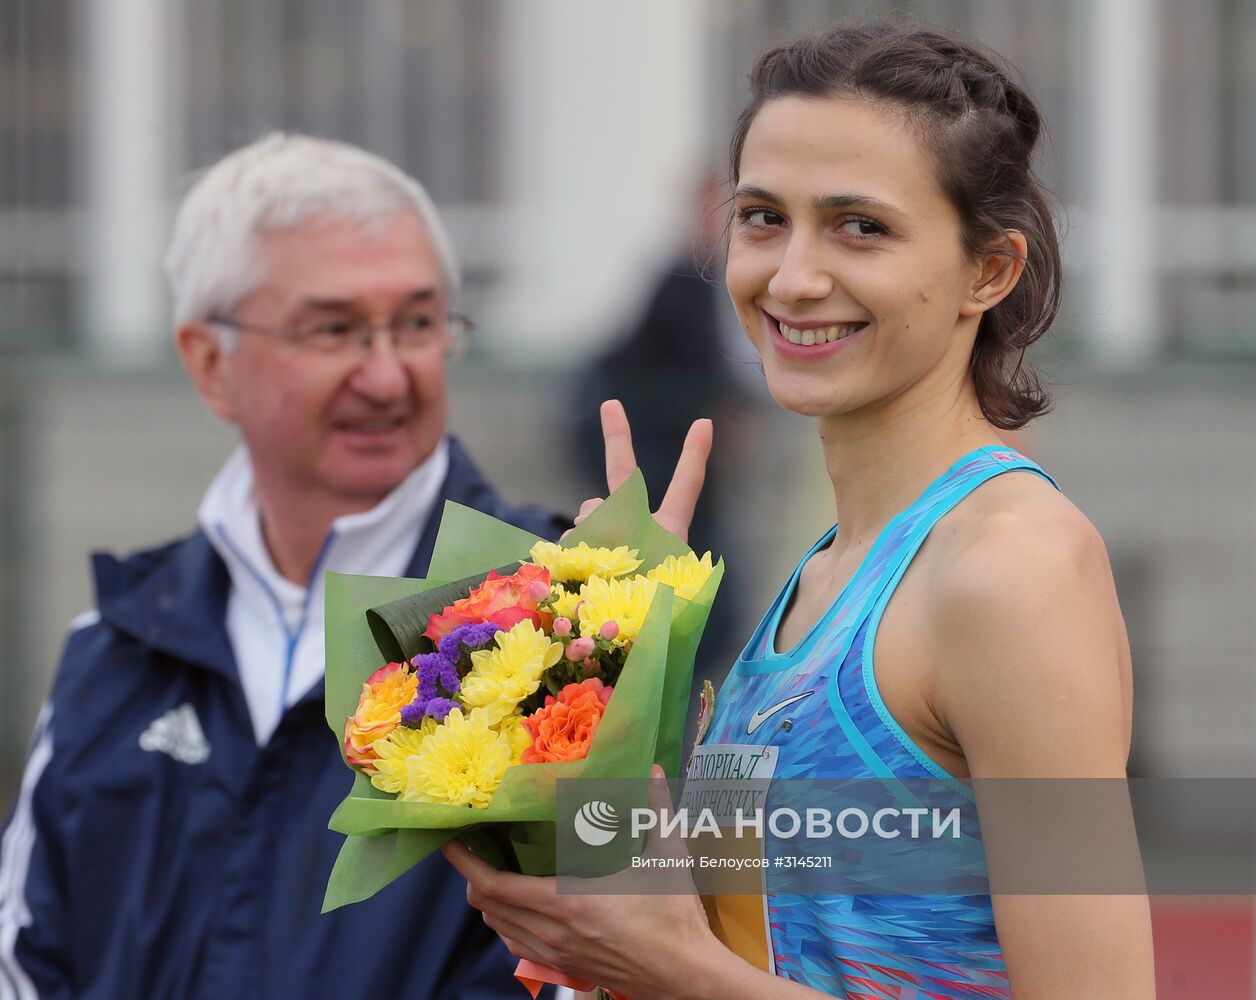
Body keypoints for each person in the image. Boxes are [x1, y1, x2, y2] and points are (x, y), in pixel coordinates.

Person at [445, 21, 1156, 999]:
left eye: (860, 226)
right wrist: (606, 698)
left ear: (988, 270)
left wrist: (673, 968)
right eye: (762, 218)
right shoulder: (822, 572)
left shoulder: (1009, 571)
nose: (791, 277)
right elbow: (734, 939)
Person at [0, 133, 567, 998]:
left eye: (418, 323)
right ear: (210, 362)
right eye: (335, 329)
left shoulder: (568, 636)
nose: (388, 376)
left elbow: (608, 967)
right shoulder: (113, 652)